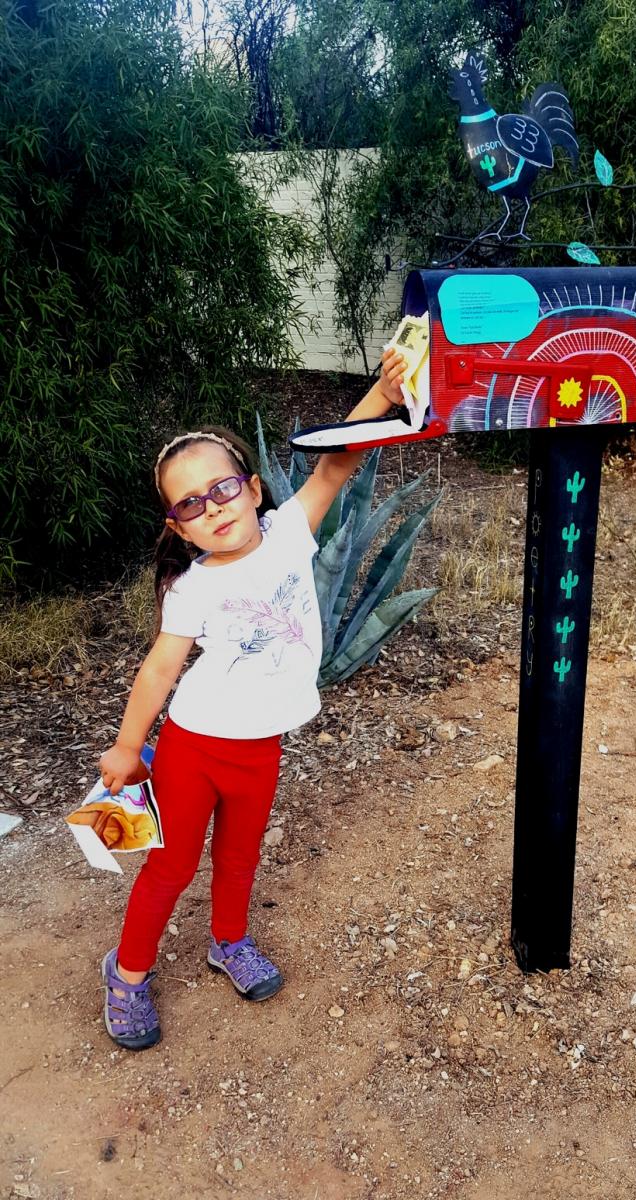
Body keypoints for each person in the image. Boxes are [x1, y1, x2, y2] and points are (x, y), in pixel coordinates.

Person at [98, 349, 408, 1050]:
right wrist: (126, 746)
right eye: (190, 504)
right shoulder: (194, 586)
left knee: (239, 858)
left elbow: (335, 462)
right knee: (171, 865)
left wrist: (383, 394)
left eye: (224, 487)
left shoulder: (291, 532)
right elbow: (158, 670)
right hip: (194, 749)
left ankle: (228, 941)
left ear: (255, 488)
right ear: (178, 527)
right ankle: (127, 971)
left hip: (260, 746)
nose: (213, 507)